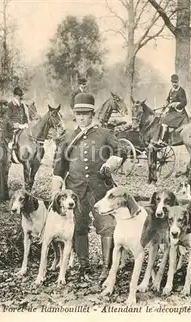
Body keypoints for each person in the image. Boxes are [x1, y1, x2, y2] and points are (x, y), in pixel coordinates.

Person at [52, 92, 126, 282]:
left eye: (86, 113)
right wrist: (56, 185)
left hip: (100, 189)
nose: (82, 117)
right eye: (79, 113)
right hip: (75, 192)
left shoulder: (104, 134)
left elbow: (121, 151)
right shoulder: (69, 136)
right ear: (74, 115)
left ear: (92, 114)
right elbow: (60, 165)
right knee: (79, 227)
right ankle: (83, 265)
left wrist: (110, 164)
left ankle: (106, 267)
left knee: (107, 226)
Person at [153, 74, 188, 147]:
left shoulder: (181, 91)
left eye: (175, 82)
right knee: (161, 119)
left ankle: (163, 140)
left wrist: (175, 105)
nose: (174, 84)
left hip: (179, 113)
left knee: (165, 123)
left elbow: (184, 102)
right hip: (171, 111)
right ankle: (157, 138)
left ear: (178, 82)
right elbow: (168, 99)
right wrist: (165, 105)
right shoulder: (171, 90)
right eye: (173, 82)